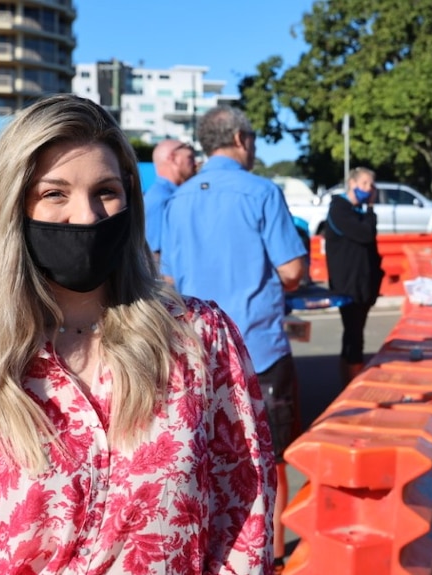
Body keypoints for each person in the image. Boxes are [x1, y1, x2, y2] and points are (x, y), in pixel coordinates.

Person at [0, 94, 276, 574]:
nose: (86, 217)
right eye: (54, 194)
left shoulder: (201, 339)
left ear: (130, 200)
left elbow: (244, 512)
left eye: (105, 191)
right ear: (15, 208)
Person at [161, 105, 306, 572]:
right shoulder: (262, 192)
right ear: (242, 139)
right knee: (273, 457)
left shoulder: (177, 201)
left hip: (195, 351)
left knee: (207, 456)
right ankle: (274, 553)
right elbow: (292, 270)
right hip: (258, 349)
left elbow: (167, 279)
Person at [324, 167, 384, 384]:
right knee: (354, 334)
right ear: (353, 183)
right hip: (348, 284)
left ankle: (348, 379)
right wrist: (370, 209)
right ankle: (353, 382)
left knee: (354, 333)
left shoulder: (359, 212)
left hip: (363, 282)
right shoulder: (340, 210)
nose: (369, 189)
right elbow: (365, 234)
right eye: (365, 184)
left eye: (371, 185)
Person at [143, 138, 197, 258]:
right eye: (190, 158)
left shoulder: (168, 195)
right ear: (174, 158)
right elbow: (155, 256)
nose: (195, 164)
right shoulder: (161, 199)